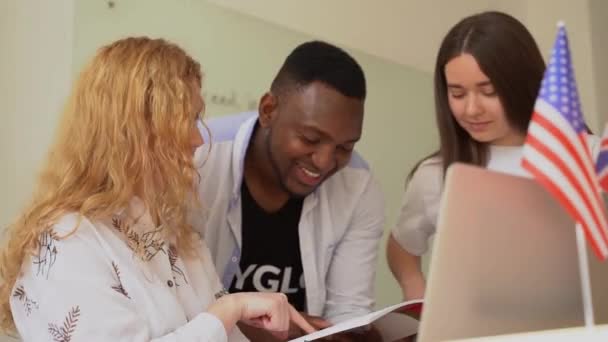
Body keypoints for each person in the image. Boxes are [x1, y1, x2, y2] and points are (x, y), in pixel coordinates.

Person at [0, 37, 314, 341]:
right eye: (188, 120)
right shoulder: (64, 241)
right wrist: (230, 309)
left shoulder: (177, 235)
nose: (199, 139)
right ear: (136, 130)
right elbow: (218, 322)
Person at [194, 41, 385, 339]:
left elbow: (349, 314)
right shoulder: (197, 158)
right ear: (268, 110)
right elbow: (174, 307)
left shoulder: (358, 186)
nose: (324, 162)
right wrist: (275, 331)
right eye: (310, 138)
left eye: (344, 147)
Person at [386, 11, 549, 301]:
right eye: (458, 94)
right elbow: (402, 247)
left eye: (488, 91)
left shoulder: (586, 155)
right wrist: (417, 294)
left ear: (521, 84)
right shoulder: (434, 174)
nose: (472, 109)